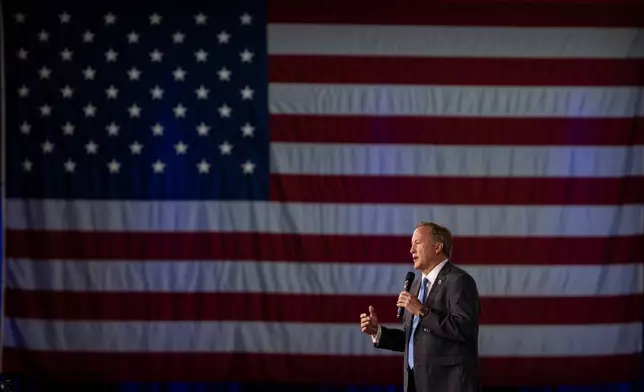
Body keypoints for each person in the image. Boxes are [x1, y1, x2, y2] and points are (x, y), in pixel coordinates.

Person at [360, 221, 481, 392]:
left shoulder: (459, 281)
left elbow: (465, 330)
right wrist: (378, 332)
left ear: (437, 247)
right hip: (416, 384)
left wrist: (422, 311)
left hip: (448, 385)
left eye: (417, 243)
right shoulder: (416, 286)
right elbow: (416, 340)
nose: (411, 250)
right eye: (411, 245)